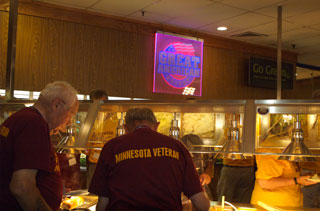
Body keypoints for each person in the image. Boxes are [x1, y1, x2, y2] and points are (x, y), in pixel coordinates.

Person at [89, 108, 210, 211]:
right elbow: (202, 205)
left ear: (125, 128)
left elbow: (103, 203)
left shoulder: (112, 147)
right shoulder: (177, 147)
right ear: (156, 125)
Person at [0, 81, 79, 211]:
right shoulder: (34, 123)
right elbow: (21, 187)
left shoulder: (22, 118)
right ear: (57, 104)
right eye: (71, 113)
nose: (69, 121)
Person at [251, 148, 317, 207]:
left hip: (289, 204)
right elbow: (264, 183)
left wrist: (301, 178)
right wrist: (297, 180)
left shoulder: (286, 148)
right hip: (272, 205)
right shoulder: (272, 150)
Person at [86, 89, 118, 188]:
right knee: (92, 189)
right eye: (97, 104)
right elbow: (85, 147)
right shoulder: (90, 120)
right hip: (94, 163)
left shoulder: (117, 119)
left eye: (103, 103)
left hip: (112, 161)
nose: (101, 107)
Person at [300, 88, 320, 208]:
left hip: (308, 170)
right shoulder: (305, 123)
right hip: (309, 172)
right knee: (310, 205)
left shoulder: (305, 123)